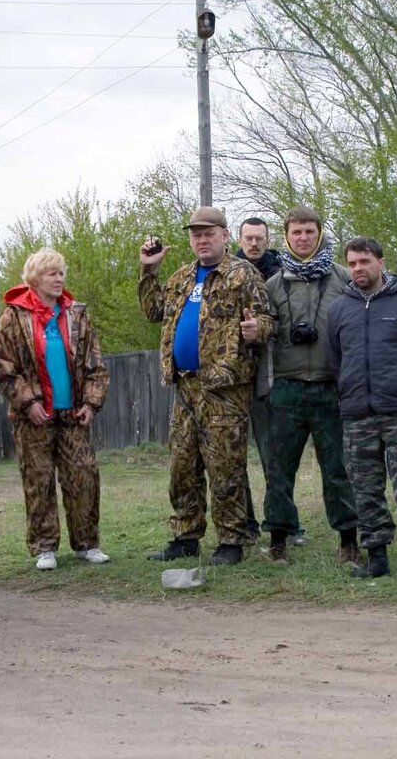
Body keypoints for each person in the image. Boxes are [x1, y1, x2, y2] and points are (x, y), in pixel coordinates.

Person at [140, 205, 273, 565]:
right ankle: (186, 535)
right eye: (196, 234)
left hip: (224, 388)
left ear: (225, 236)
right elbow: (155, 312)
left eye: (209, 233)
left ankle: (232, 539)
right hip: (185, 386)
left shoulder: (242, 275)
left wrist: (255, 328)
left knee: (225, 466)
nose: (201, 240)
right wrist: (148, 271)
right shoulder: (184, 276)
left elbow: (267, 320)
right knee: (182, 466)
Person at [326, 237, 397, 579]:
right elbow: (336, 359)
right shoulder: (339, 309)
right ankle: (376, 555)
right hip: (356, 412)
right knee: (364, 487)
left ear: (381, 262)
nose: (358, 268)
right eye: (352, 263)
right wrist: (349, 389)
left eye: (365, 261)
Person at [0, 249, 110, 570]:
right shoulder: (13, 317)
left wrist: (90, 402)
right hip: (33, 418)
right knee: (38, 479)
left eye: (61, 273)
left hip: (72, 414)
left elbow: (94, 363)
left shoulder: (76, 314)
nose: (59, 279)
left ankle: (87, 543)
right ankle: (45, 546)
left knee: (83, 475)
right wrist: (27, 403)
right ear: (34, 278)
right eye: (51, 274)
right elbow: (4, 366)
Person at [261, 207, 359, 567]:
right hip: (287, 388)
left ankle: (349, 539)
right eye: (296, 232)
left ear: (319, 233)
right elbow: (264, 327)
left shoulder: (343, 279)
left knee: (338, 468)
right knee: (279, 468)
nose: (302, 237)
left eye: (308, 231)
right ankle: (278, 540)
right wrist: (258, 330)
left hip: (330, 387)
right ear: (285, 236)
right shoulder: (272, 284)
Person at [234, 216, 285, 541]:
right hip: (233, 378)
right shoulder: (225, 274)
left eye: (259, 238)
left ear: (268, 240)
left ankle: (282, 523)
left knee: (275, 456)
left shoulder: (283, 274)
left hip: (271, 376)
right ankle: (245, 523)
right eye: (248, 238)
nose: (254, 243)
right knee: (233, 457)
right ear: (239, 239)